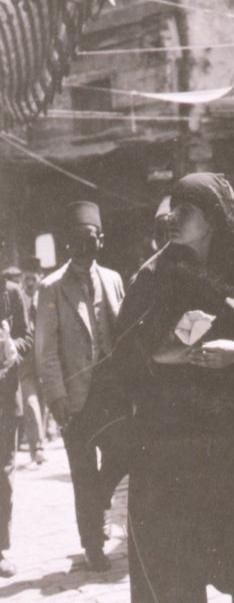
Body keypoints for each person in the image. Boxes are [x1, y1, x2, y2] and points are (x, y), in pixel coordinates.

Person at [112, 173, 234, 603]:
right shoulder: (154, 275)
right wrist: (168, 355)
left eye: (186, 209)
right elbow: (124, 355)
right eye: (172, 208)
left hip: (230, 430)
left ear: (213, 218)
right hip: (175, 433)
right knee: (187, 536)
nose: (173, 218)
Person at [35, 202, 127, 571]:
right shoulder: (51, 288)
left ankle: (101, 498)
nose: (82, 249)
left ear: (100, 241)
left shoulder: (114, 279)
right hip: (77, 397)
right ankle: (93, 545)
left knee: (125, 453)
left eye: (89, 240)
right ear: (66, 245)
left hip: (112, 392)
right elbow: (46, 351)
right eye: (75, 242)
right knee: (83, 471)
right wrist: (56, 397)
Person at [0, 269, 32, 577]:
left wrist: (13, 346)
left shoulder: (11, 293)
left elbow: (28, 335)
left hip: (4, 398)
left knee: (2, 473)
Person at [18, 256, 46, 465]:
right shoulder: (18, 300)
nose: (29, 284)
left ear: (40, 278)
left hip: (46, 357)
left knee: (43, 401)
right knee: (30, 400)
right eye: (26, 279)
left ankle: (38, 443)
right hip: (26, 359)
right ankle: (38, 447)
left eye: (33, 279)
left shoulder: (47, 297)